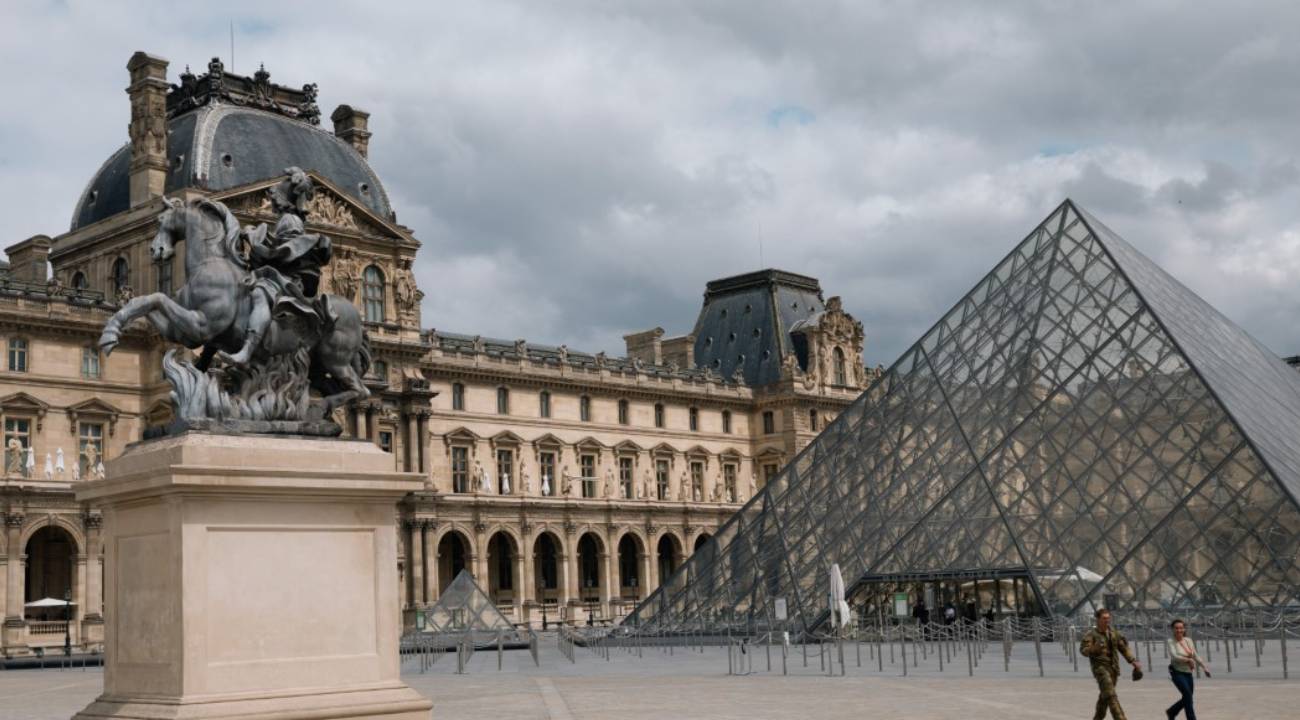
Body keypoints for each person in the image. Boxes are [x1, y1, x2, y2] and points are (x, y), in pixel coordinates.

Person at [1080, 608, 1142, 720]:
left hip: (1113, 669)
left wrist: (1133, 661)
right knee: (1111, 696)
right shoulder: (1091, 634)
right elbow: (1084, 651)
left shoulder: (1113, 633)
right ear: (1098, 619)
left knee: (1105, 697)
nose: (1107, 620)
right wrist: (1094, 648)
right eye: (1104, 618)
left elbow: (1123, 648)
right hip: (1100, 669)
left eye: (1108, 618)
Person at [1166, 618, 1208, 720]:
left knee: (1188, 698)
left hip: (1188, 672)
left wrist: (1204, 667)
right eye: (1176, 628)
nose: (1179, 630)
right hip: (1176, 672)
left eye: (1181, 628)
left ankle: (1172, 711)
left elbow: (1195, 655)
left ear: (1184, 629)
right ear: (1172, 629)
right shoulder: (1170, 641)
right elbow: (1174, 656)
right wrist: (1187, 660)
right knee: (1188, 695)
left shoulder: (1188, 641)